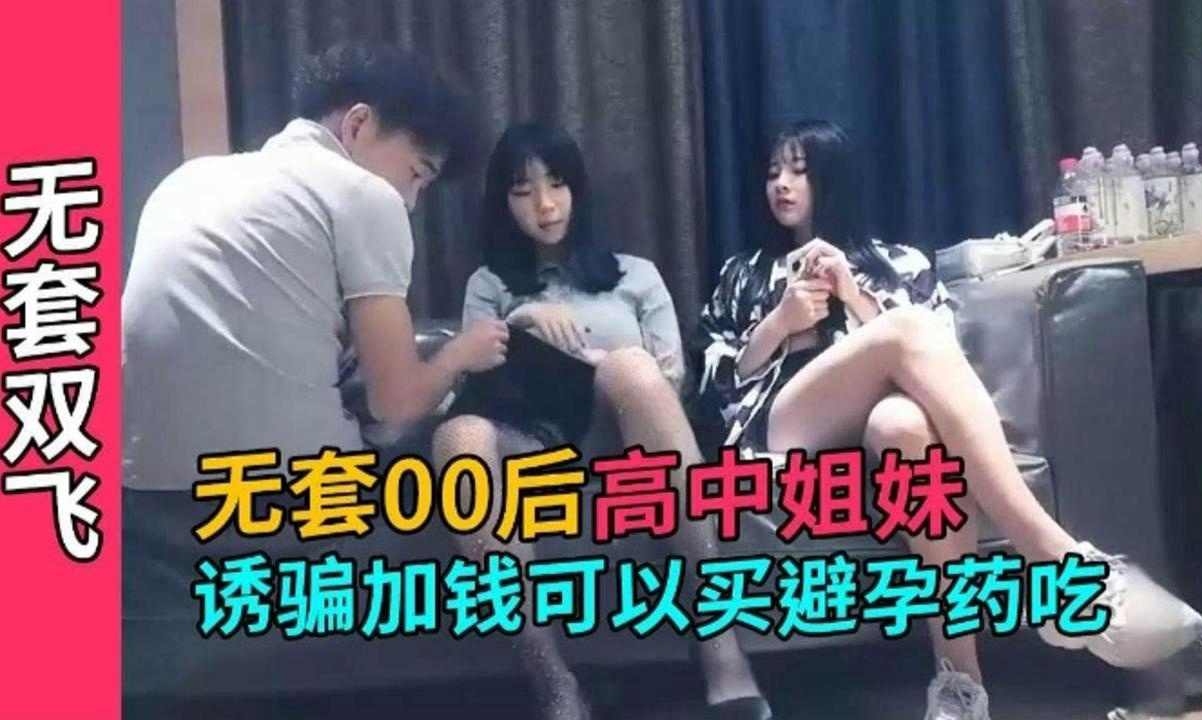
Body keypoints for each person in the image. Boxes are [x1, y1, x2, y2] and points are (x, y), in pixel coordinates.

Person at [693, 119, 1202, 720]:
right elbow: (712, 385)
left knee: (905, 427)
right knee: (909, 329)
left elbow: (944, 364)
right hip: (788, 431)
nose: (781, 184)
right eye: (773, 172)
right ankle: (1060, 562)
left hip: (883, 427)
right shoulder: (745, 272)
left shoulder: (899, 264)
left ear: (833, 179)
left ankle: (960, 686)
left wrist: (855, 297)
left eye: (799, 171)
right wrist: (779, 323)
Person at [432, 123, 773, 720]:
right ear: (503, 204)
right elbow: (471, 382)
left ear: (578, 189)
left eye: (556, 184)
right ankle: (553, 681)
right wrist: (523, 322)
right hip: (530, 444)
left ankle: (719, 643)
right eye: (523, 191)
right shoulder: (488, 285)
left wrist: (594, 361)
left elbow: (671, 380)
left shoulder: (634, 275)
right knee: (457, 436)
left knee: (632, 367)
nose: (545, 204)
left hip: (623, 436)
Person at [123, 43, 508, 495]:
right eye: (416, 173)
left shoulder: (188, 180)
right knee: (462, 444)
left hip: (139, 493)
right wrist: (460, 354)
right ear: (358, 124)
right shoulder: (365, 194)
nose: (410, 200)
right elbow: (396, 402)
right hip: (281, 498)